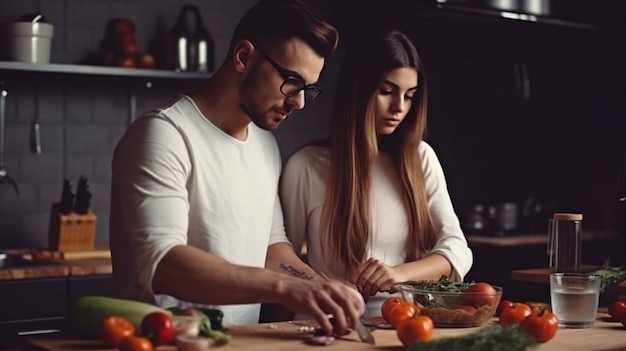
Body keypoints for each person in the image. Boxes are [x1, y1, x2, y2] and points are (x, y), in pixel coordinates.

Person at [109, 0, 364, 334]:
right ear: (244, 57)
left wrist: (322, 288)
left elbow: (271, 247)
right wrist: (286, 288)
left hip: (237, 343)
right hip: (165, 343)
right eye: (291, 81)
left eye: (308, 89)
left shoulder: (264, 144)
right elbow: (162, 263)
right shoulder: (164, 134)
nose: (299, 102)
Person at [280, 29, 473, 316]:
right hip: (326, 327)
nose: (399, 107)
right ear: (358, 89)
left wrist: (398, 273)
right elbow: (285, 266)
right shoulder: (305, 166)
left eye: (409, 96)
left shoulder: (420, 159)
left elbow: (457, 249)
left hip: (403, 325)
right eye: (387, 91)